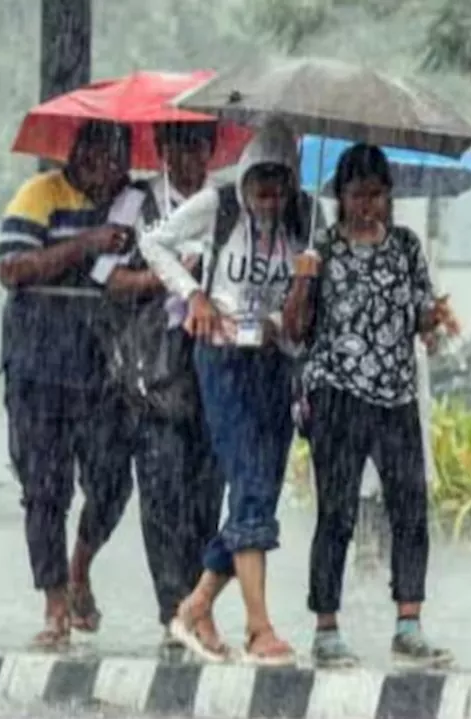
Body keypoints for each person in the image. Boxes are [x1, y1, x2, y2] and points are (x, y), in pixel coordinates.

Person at [139, 119, 320, 665]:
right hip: (221, 361)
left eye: (280, 179)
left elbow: (300, 317)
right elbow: (154, 242)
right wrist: (193, 294)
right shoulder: (216, 207)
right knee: (246, 481)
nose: (269, 191)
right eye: (260, 177)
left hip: (275, 365)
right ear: (243, 174)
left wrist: (299, 290)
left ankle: (194, 606)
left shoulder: (309, 220)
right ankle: (259, 628)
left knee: (258, 491)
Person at [283, 143, 459, 669]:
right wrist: (303, 279)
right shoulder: (323, 249)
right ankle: (326, 627)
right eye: (358, 195)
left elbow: (421, 315)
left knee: (409, 508)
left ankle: (409, 622)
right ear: (340, 196)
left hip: (396, 396)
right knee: (336, 514)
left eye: (378, 195)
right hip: (337, 394)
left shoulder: (405, 247)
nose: (368, 206)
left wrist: (437, 322)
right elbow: (295, 329)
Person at [0, 120, 141, 650]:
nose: (109, 169)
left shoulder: (133, 204)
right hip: (38, 365)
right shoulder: (39, 196)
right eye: (100, 157)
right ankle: (55, 605)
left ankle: (80, 564)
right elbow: (12, 268)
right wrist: (86, 244)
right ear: (78, 156)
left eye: (118, 159)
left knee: (112, 480)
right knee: (44, 489)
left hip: (104, 366)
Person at [94, 121, 225, 658]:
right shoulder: (135, 204)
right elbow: (106, 279)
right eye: (177, 144)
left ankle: (199, 607)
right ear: (163, 148)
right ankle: (172, 607)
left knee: (206, 495)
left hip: (215, 368)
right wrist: (167, 277)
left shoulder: (227, 206)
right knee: (162, 491)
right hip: (154, 370)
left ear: (211, 149)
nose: (187, 155)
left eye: (197, 144)